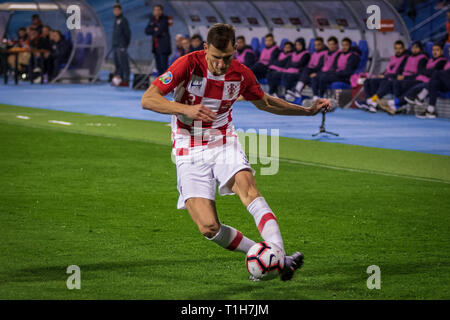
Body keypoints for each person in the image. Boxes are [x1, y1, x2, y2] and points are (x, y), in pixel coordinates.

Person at [141, 23, 331, 281]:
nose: (221, 64)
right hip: (188, 145)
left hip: (222, 139)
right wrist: (185, 109)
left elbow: (265, 102)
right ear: (206, 48)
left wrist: (306, 110)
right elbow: (149, 99)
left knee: (248, 189)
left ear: (235, 50)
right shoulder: (187, 64)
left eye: (227, 57)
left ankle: (277, 256)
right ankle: (272, 257)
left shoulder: (241, 74)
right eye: (216, 58)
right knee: (208, 227)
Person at [380, 42, 447, 115]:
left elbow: (432, 72)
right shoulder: (430, 60)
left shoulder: (442, 61)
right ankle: (396, 106)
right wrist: (426, 72)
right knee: (398, 83)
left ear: (442, 51)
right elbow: (423, 71)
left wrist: (426, 72)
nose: (435, 52)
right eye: (433, 50)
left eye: (437, 50)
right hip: (421, 80)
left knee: (414, 88)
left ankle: (396, 102)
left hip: (428, 82)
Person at [356, 40, 409, 113]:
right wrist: (383, 74)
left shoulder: (405, 58)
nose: (398, 50)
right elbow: (388, 69)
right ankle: (371, 103)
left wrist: (386, 76)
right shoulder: (393, 58)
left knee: (385, 81)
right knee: (368, 81)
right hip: (388, 76)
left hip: (393, 78)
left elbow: (399, 72)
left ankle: (372, 100)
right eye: (396, 48)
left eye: (400, 48)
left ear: (403, 49)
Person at [377, 41, 428, 114]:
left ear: (420, 49)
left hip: (413, 79)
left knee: (396, 82)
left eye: (417, 48)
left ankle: (396, 104)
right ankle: (375, 100)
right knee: (386, 81)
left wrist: (404, 77)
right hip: (405, 77)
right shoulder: (409, 57)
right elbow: (399, 69)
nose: (414, 49)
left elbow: (418, 73)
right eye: (413, 47)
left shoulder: (423, 58)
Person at [145, 4, 172, 75]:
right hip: (156, 48)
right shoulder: (152, 19)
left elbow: (159, 31)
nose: (156, 11)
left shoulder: (165, 19)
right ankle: (160, 84)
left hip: (163, 48)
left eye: (158, 10)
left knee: (164, 68)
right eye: (154, 10)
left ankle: (165, 85)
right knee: (158, 68)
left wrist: (153, 30)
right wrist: (155, 29)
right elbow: (147, 30)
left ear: (161, 11)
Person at [112, 3, 131, 87]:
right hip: (115, 45)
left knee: (124, 63)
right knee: (118, 64)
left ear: (120, 10)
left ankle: (126, 80)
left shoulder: (123, 20)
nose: (115, 12)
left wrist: (124, 44)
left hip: (121, 46)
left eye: (117, 10)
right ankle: (119, 79)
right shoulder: (116, 20)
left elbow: (127, 33)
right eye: (114, 10)